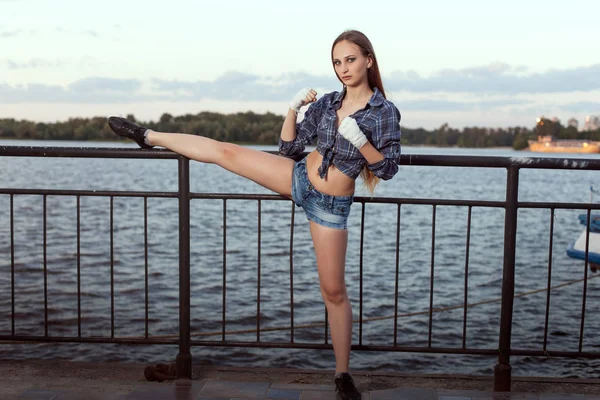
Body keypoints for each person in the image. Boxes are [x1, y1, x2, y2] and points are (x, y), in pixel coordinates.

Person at [108, 29, 401, 400]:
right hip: (298, 179)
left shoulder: (383, 111)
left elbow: (389, 167)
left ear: (368, 61)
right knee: (226, 151)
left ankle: (342, 375)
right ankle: (148, 134)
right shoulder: (328, 103)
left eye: (350, 60)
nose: (343, 68)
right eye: (337, 62)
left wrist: (362, 142)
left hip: (329, 205)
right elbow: (288, 148)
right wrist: (293, 109)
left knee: (333, 291)